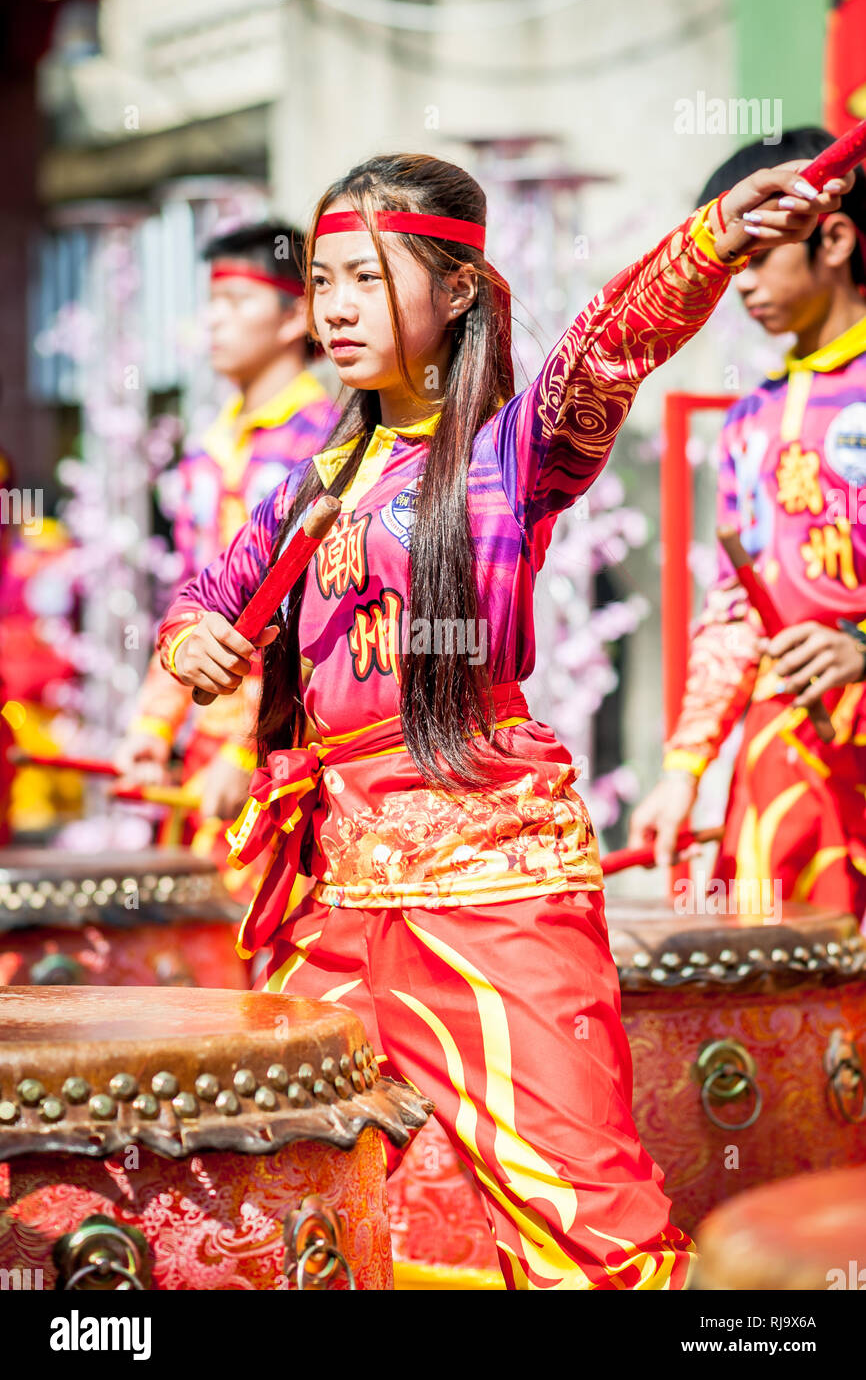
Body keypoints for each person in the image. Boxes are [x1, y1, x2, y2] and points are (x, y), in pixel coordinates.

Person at [157, 151, 846, 1289]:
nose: (334, 310)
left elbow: (611, 340)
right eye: (323, 283)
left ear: (460, 290)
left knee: (584, 1210)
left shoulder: (509, 452)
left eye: (367, 281)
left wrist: (716, 230)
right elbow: (201, 597)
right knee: (346, 1206)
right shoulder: (312, 477)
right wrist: (198, 645)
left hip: (489, 883)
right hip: (334, 894)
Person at [630, 128, 866, 922]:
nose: (741, 285)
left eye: (759, 255)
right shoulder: (748, 422)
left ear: (834, 237)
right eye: (734, 263)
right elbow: (734, 608)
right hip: (786, 762)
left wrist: (858, 649)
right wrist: (683, 772)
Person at [115, 221, 337, 900]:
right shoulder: (205, 452)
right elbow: (190, 596)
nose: (212, 319)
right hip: (206, 752)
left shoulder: (328, 444)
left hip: (293, 751)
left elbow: (321, 624)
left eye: (236, 301)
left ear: (295, 314)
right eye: (210, 301)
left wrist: (256, 751)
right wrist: (154, 725)